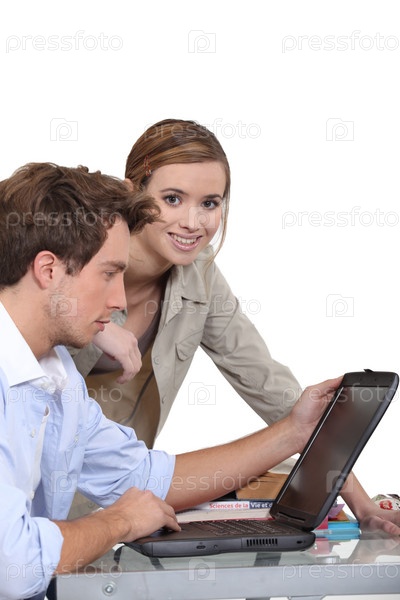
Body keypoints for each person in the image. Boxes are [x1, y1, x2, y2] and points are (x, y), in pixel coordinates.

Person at [0, 161, 341, 600]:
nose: (120, 299)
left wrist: (293, 432)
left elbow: (146, 477)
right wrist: (119, 521)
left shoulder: (58, 376)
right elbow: (13, 565)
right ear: (48, 270)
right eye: (109, 273)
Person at [68, 119, 400, 535]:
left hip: (116, 494)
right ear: (132, 190)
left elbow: (273, 389)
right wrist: (91, 323)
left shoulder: (201, 277)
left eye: (210, 203)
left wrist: (362, 504)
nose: (193, 222)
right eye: (172, 199)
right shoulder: (70, 247)